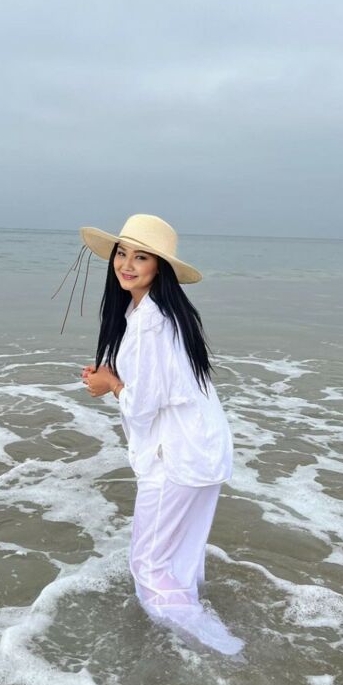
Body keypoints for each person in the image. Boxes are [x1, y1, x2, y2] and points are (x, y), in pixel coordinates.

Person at [56, 214, 244, 655]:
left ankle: (216, 652)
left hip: (176, 455)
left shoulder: (149, 322)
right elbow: (165, 384)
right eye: (122, 253)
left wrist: (111, 385)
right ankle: (204, 636)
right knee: (181, 558)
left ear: (160, 267)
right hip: (200, 448)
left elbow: (143, 404)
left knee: (150, 565)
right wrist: (114, 376)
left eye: (141, 257)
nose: (127, 264)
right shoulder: (162, 314)